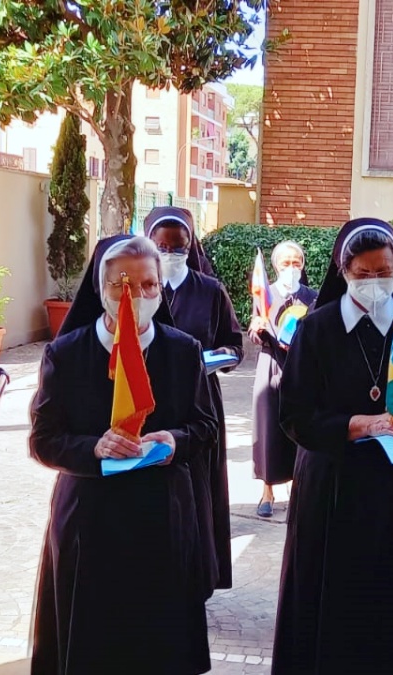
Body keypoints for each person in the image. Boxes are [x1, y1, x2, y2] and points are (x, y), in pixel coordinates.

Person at [272, 218, 393, 674]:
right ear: (343, 271)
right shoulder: (316, 328)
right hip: (332, 489)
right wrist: (360, 424)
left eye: (384, 272)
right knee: (330, 608)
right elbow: (295, 415)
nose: (374, 282)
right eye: (362, 274)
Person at [27, 235, 218, 674]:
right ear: (102, 289)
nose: (137, 295)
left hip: (162, 514)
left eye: (148, 284)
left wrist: (174, 439)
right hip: (91, 518)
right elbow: (43, 439)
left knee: (159, 645)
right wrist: (92, 446)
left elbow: (205, 427)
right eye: (123, 285)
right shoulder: (66, 353)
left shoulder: (182, 350)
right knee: (92, 643)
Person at [146, 206, 243, 592]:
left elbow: (234, 344)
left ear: (192, 246)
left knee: (201, 483)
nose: (171, 253)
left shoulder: (210, 290)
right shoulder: (142, 288)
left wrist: (218, 357)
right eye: (162, 246)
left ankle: (200, 570)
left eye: (179, 246)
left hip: (200, 399)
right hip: (151, 399)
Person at [248, 241, 317, 517]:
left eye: (296, 262)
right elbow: (255, 332)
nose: (291, 268)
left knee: (299, 427)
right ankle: (267, 491)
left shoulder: (312, 297)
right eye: (285, 263)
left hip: (301, 369)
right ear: (276, 266)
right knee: (268, 427)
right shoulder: (265, 294)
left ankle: (296, 488)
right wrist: (257, 329)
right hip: (271, 365)